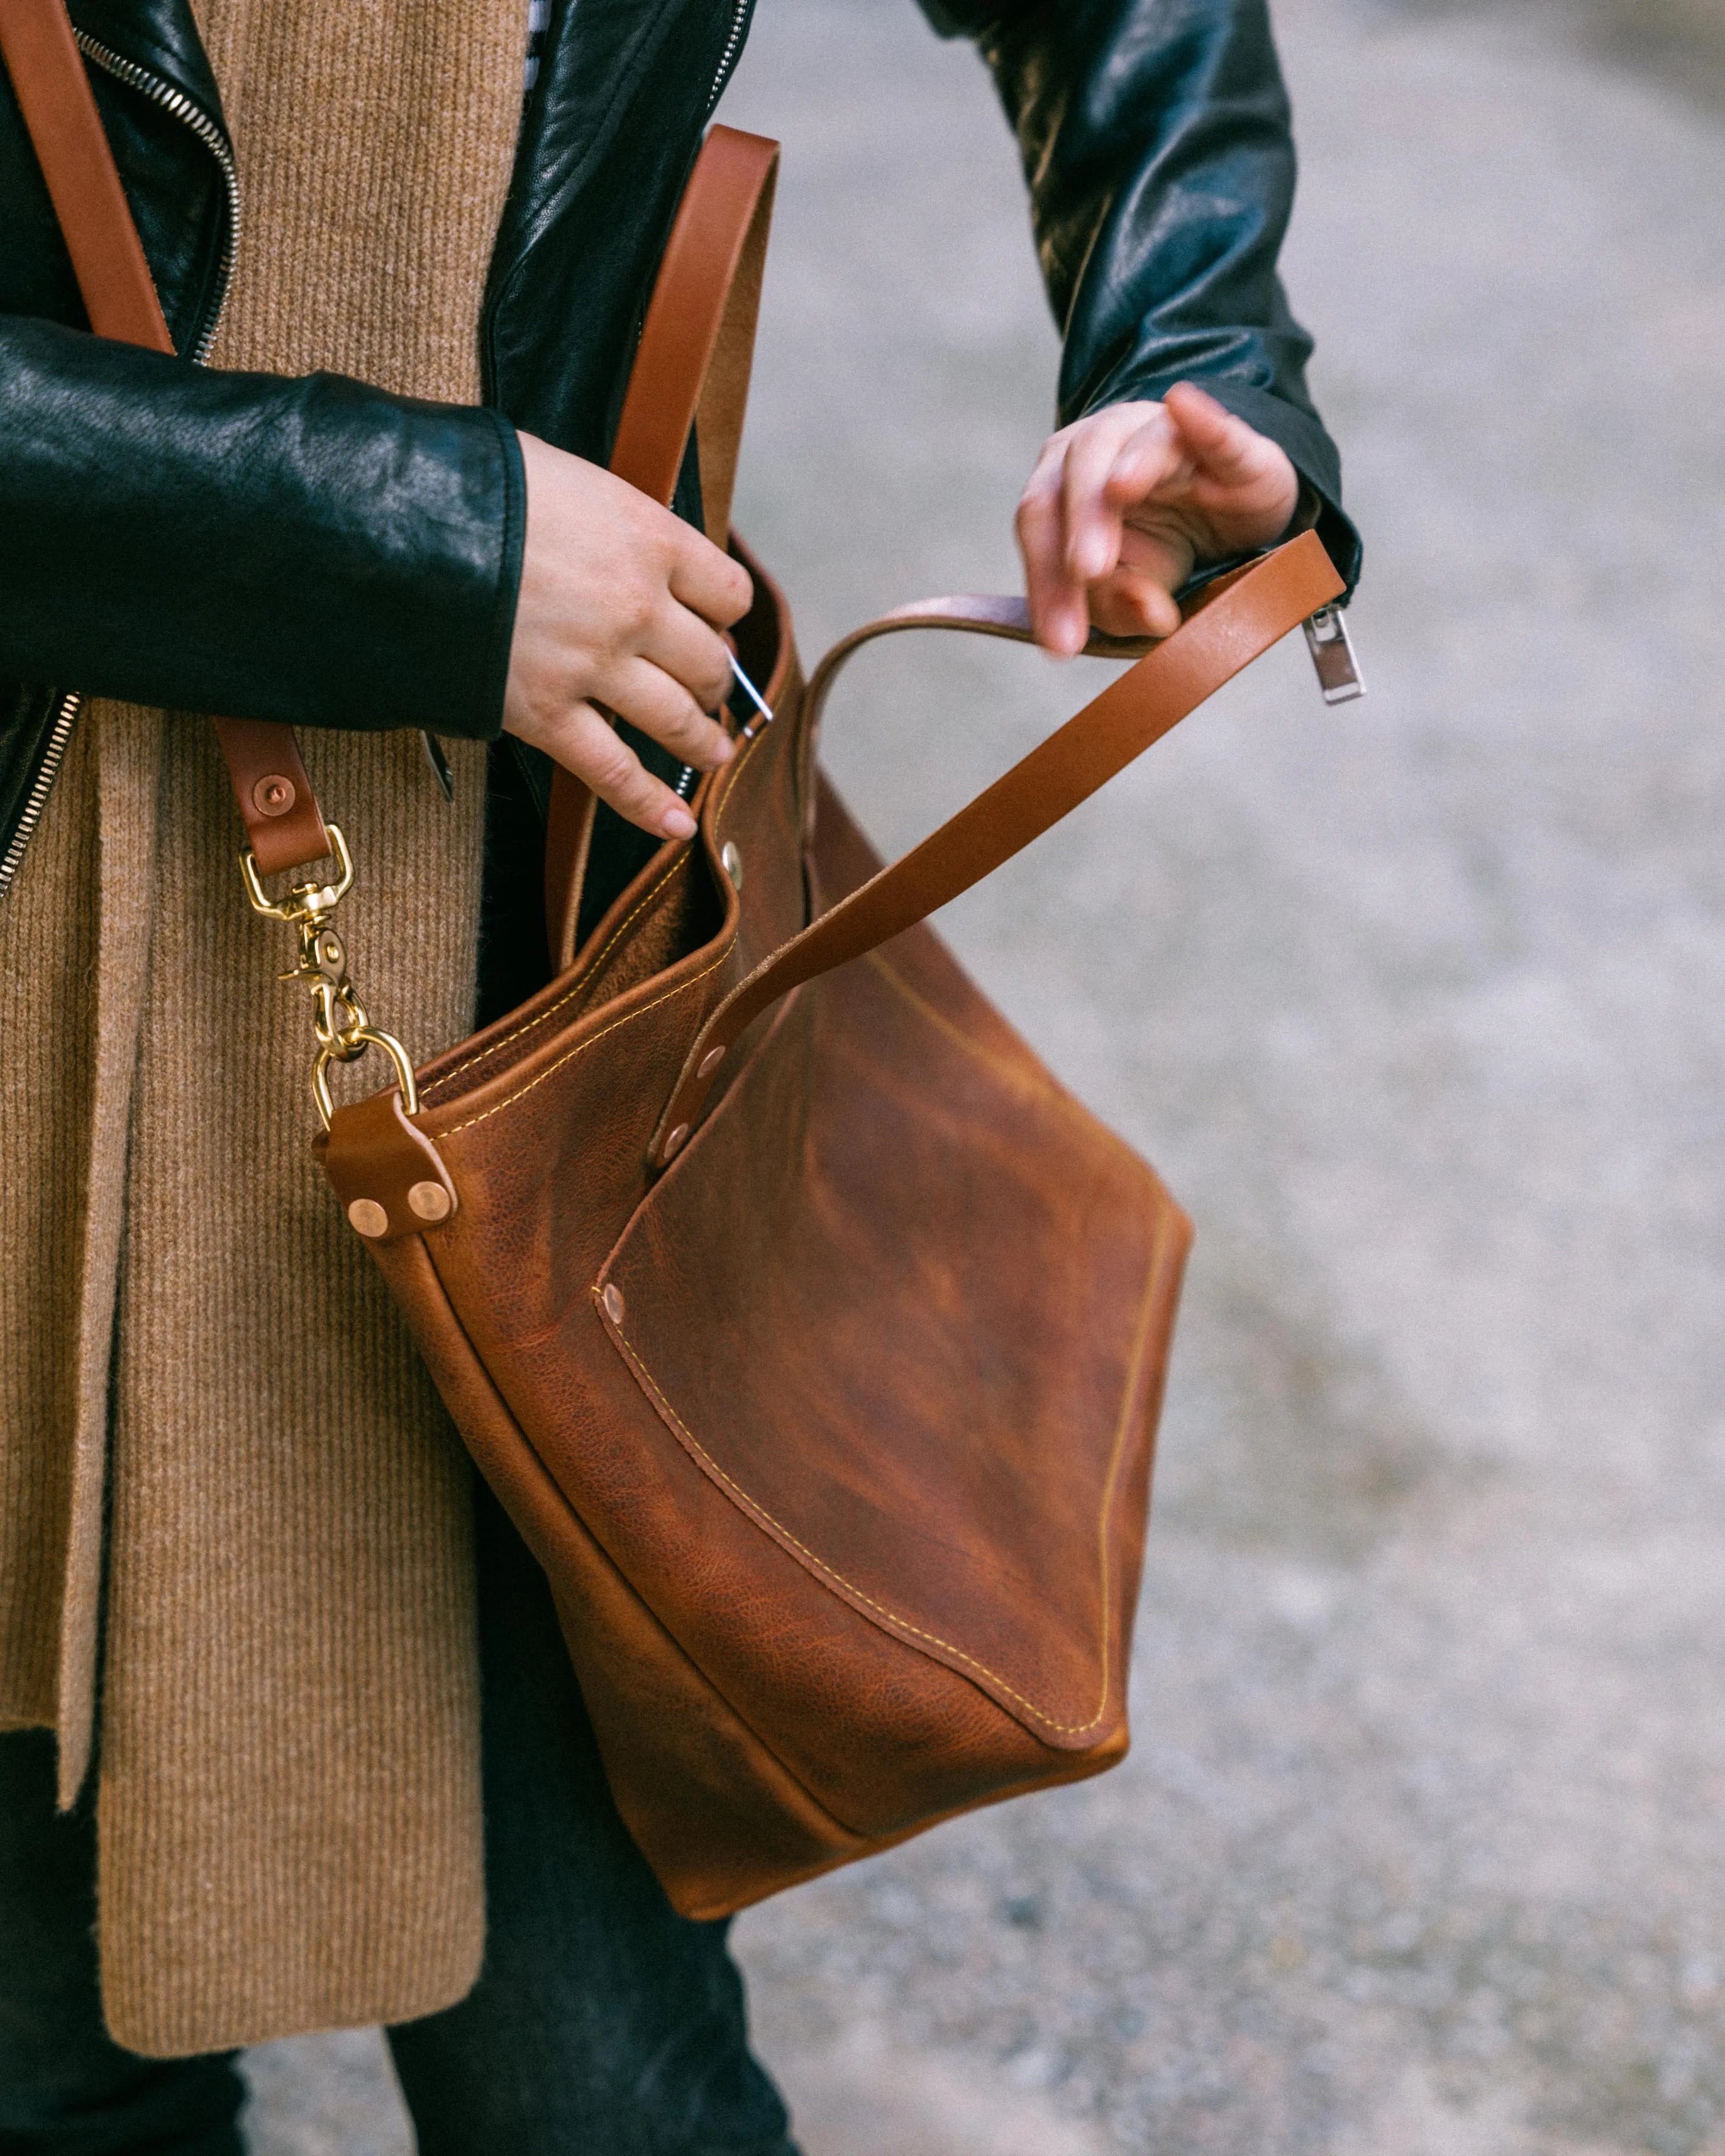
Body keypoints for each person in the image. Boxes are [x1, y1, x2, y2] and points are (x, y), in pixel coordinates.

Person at [0, 0, 1360, 2146]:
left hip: (528, 966)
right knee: (43, 2054)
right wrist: (419, 546)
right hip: (26, 1003)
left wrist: (1185, 341)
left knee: (596, 2076)